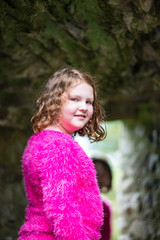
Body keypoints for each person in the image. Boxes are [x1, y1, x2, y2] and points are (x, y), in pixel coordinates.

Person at [18, 67, 106, 240]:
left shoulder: (40, 140)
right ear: (55, 101)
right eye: (75, 99)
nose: (84, 107)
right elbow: (61, 206)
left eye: (89, 102)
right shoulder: (58, 144)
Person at [92, 157, 113, 240]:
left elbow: (105, 236)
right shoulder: (73, 201)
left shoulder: (105, 208)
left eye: (103, 174)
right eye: (96, 173)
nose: (99, 178)